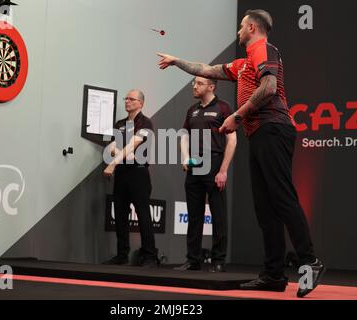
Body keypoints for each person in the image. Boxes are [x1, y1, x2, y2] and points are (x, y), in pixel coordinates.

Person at [157, 9, 324, 297]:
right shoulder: (243, 63)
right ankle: (273, 275)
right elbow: (205, 69)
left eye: (240, 27)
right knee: (264, 206)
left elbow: (269, 87)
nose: (237, 32)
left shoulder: (263, 48)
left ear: (250, 27)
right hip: (258, 133)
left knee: (282, 198)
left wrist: (237, 115)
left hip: (274, 127)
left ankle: (310, 261)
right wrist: (176, 62)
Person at [174, 76, 237, 273]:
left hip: (215, 163)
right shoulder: (191, 110)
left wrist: (224, 170)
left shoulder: (224, 108)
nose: (194, 85)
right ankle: (193, 259)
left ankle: (218, 260)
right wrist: (185, 158)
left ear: (211, 86)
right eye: (193, 82)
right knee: (194, 215)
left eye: (199, 83)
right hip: (194, 166)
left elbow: (232, 140)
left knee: (218, 215)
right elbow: (184, 135)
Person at [102, 89, 159, 268]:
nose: (127, 101)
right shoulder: (119, 124)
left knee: (143, 215)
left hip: (138, 174)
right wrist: (124, 156)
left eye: (131, 99)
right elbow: (112, 147)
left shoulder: (145, 123)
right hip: (122, 174)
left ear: (140, 103)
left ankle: (149, 256)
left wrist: (113, 163)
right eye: (126, 98)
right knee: (120, 215)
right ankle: (121, 255)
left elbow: (134, 145)